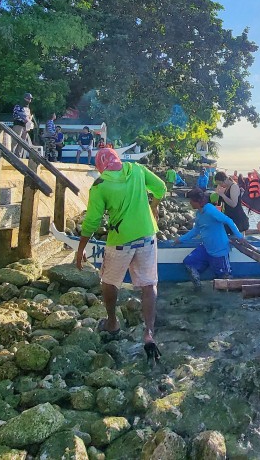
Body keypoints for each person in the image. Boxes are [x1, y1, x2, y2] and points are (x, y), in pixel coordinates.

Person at [73, 147, 166, 361]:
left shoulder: (100, 185)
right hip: (147, 236)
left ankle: (112, 322)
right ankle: (149, 332)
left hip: (120, 242)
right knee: (149, 284)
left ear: (100, 167)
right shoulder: (137, 169)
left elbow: (92, 221)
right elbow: (160, 187)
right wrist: (154, 205)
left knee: (109, 281)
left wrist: (80, 250)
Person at [174, 188, 241, 290]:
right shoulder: (199, 214)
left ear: (197, 201)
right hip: (206, 248)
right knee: (189, 263)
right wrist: (180, 240)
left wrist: (240, 237)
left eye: (191, 200)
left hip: (219, 251)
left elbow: (228, 220)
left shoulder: (210, 210)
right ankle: (198, 289)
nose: (190, 202)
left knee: (225, 279)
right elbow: (195, 230)